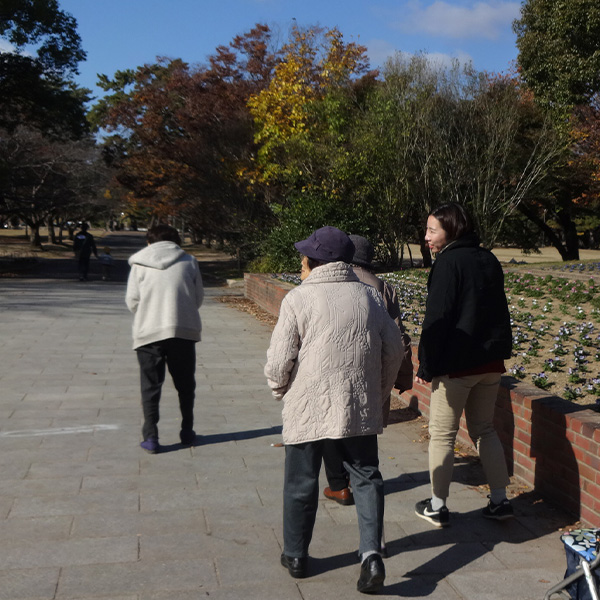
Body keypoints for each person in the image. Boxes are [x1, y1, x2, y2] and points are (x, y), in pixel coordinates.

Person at [264, 226, 403, 594]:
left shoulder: (297, 299)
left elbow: (280, 360)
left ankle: (296, 555)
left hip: (307, 405)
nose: (300, 261)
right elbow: (396, 350)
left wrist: (278, 388)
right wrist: (378, 390)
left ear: (316, 261)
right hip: (358, 403)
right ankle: (371, 555)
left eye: (304, 255)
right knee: (367, 476)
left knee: (300, 481)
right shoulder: (369, 297)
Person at [414, 203, 513, 528]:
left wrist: (426, 363)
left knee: (442, 434)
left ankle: (438, 506)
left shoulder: (448, 263)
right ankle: (500, 501)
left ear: (451, 230)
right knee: (485, 430)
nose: (426, 237)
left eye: (432, 230)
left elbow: (437, 319)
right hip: (489, 364)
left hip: (456, 367)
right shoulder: (488, 259)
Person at [322, 234, 414, 509]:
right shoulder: (382, 288)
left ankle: (339, 484)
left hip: (334, 368)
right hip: (371, 371)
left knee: (331, 426)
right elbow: (398, 339)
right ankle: (360, 478)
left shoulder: (331, 283)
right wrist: (402, 376)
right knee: (364, 430)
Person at [125, 224, 204, 454]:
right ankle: (187, 431)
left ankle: (151, 437)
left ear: (149, 242)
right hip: (183, 330)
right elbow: (197, 297)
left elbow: (132, 301)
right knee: (185, 386)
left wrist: (150, 313)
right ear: (176, 241)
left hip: (148, 333)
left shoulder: (139, 264)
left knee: (150, 387)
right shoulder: (189, 261)